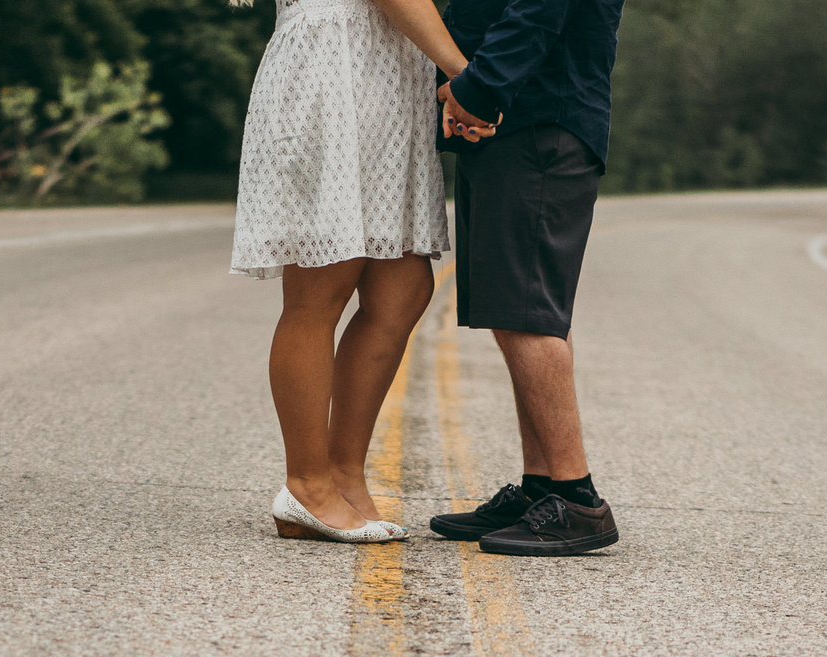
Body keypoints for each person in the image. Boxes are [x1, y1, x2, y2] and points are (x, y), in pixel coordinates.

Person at [231, 0, 496, 544]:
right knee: (322, 283)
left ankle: (343, 475)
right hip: (333, 65)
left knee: (402, 289)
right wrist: (465, 77)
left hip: (384, 69)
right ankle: (306, 484)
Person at [426, 0, 626, 557]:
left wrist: (477, 88)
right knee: (519, 308)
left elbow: (539, 9)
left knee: (528, 310)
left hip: (539, 118)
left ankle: (576, 499)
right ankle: (541, 487)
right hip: (519, 121)